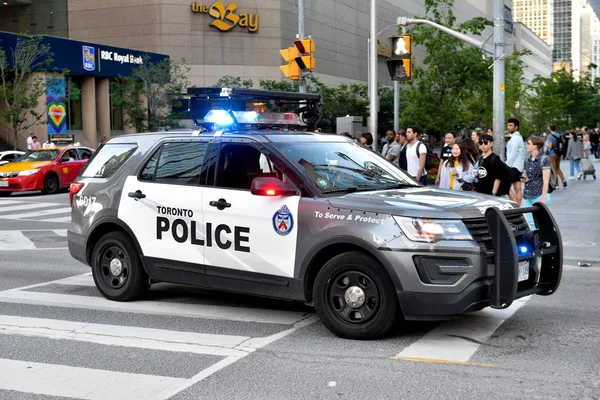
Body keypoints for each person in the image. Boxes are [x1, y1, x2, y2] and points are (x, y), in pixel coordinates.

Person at [521, 136, 551, 229]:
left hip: (539, 195)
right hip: (527, 195)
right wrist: (524, 178)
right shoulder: (527, 159)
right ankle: (535, 241)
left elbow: (546, 180)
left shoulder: (544, 159)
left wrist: (543, 198)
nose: (527, 145)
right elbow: (525, 174)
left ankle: (542, 241)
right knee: (530, 223)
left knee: (540, 222)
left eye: (529, 144)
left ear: (535, 146)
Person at [505, 118, 527, 205]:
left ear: (516, 127)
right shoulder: (518, 137)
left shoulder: (515, 138)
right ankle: (518, 206)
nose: (508, 127)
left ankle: (515, 206)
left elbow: (512, 154)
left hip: (513, 166)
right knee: (517, 188)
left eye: (511, 125)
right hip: (518, 166)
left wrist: (506, 166)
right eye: (508, 125)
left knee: (505, 187)